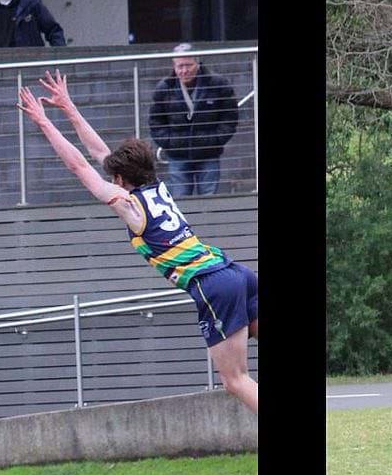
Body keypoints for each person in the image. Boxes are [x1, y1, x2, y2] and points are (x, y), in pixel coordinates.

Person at [18, 70, 257, 413]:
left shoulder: (131, 207)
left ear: (119, 180)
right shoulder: (155, 186)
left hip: (212, 285)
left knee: (235, 380)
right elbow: (99, 152)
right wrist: (68, 107)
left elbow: (80, 166)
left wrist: (44, 121)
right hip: (235, 271)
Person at [148, 43, 238, 197]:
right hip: (177, 154)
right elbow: (156, 121)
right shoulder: (164, 87)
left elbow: (229, 117)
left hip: (208, 152)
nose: (184, 70)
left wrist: (216, 140)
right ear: (174, 66)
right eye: (180, 66)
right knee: (180, 198)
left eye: (188, 65)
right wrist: (169, 142)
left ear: (197, 63)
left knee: (209, 198)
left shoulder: (217, 84)